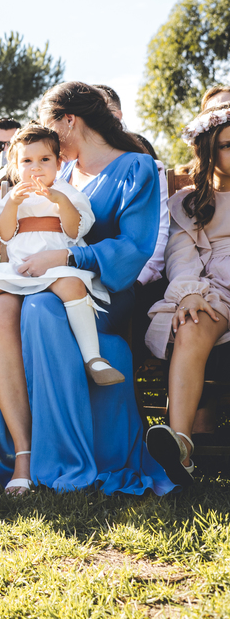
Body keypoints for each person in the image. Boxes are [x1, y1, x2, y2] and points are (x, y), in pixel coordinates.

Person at [0, 81, 172, 497]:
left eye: (49, 125)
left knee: (41, 311)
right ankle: (21, 453)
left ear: (69, 121)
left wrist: (69, 259)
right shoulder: (59, 172)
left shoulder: (136, 168)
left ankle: (62, 460)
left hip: (104, 291)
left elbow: (134, 249)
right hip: (42, 282)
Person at [0, 125, 121, 390]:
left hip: (56, 267)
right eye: (27, 161)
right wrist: (11, 205)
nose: (36, 168)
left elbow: (76, 229)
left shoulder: (67, 193)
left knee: (72, 285)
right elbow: (6, 235)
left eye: (44, 160)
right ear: (15, 165)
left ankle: (93, 358)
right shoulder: (13, 197)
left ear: (58, 163)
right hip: (18, 269)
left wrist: (60, 202)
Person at [143, 106, 230, 486]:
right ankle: (182, 446)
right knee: (193, 322)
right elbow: (181, 256)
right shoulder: (188, 203)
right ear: (208, 149)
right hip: (214, 288)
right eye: (228, 145)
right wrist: (189, 294)